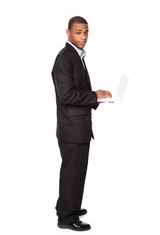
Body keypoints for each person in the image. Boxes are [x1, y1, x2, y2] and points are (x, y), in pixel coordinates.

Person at [51, 16, 112, 232]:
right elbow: (67, 95)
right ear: (68, 33)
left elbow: (78, 91)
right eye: (78, 32)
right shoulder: (64, 58)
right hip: (72, 130)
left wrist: (99, 98)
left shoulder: (77, 56)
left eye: (86, 32)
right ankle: (66, 218)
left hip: (78, 127)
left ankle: (69, 206)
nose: (83, 36)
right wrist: (95, 96)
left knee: (76, 172)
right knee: (73, 172)